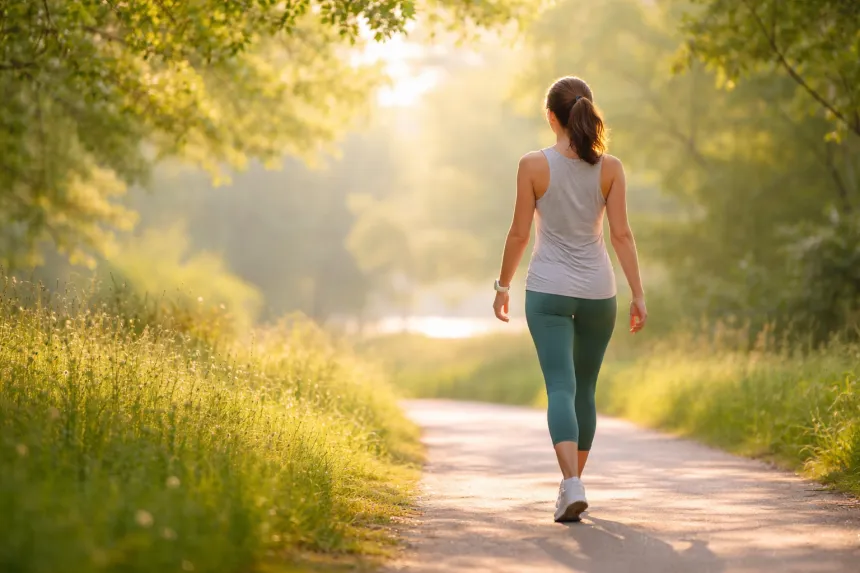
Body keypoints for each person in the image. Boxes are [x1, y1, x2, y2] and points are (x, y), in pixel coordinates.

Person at [492, 76, 647, 523]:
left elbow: (519, 233)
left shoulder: (532, 165)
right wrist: (638, 294)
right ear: (587, 110)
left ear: (551, 117)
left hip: (548, 292)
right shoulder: (611, 168)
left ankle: (572, 485)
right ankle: (570, 486)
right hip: (600, 293)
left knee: (561, 386)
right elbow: (621, 235)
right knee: (586, 388)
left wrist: (503, 286)